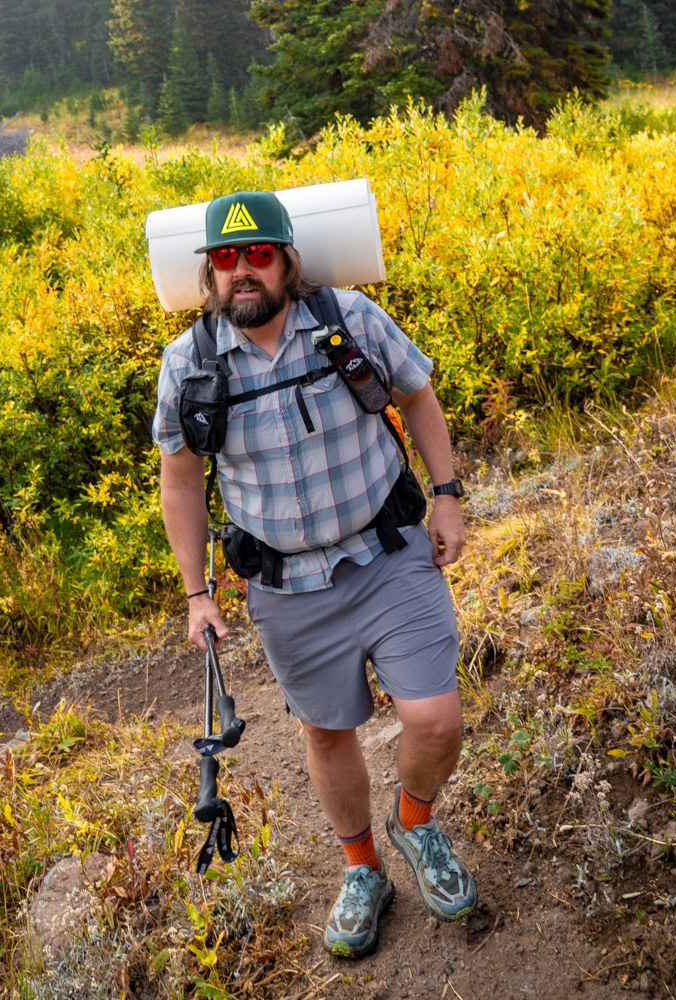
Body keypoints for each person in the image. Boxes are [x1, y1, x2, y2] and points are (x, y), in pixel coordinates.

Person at [152, 190, 476, 958]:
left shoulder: (349, 319)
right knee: (329, 735)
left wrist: (449, 496)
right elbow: (182, 480)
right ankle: (362, 869)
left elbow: (417, 392)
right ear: (208, 273)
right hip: (287, 589)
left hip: (388, 554)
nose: (242, 272)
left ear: (287, 259)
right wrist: (197, 595)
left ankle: (416, 824)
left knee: (435, 719)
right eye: (226, 259)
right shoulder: (188, 365)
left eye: (257, 253)